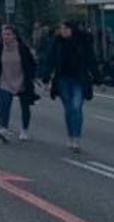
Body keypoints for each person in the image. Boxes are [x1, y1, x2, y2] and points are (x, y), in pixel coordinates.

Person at [41, 21, 100, 154]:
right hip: (63, 79)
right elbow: (49, 60)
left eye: (66, 28)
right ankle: (70, 135)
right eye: (61, 28)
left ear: (72, 29)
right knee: (68, 108)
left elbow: (91, 59)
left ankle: (77, 139)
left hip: (79, 79)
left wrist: (98, 78)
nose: (63, 31)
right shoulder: (57, 42)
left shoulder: (82, 42)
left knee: (76, 107)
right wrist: (46, 78)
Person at [0, 25, 37, 144]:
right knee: (3, 105)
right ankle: (4, 129)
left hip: (21, 80)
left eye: (8, 34)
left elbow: (30, 63)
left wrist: (33, 76)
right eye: (4, 35)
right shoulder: (0, 47)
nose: (5, 37)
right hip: (5, 80)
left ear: (14, 36)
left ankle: (24, 129)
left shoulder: (22, 48)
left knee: (25, 106)